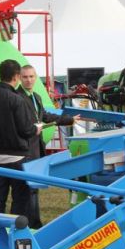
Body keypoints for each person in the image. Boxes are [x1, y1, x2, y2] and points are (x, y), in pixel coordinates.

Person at [0, 59, 41, 216]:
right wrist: (35, 129)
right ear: (16, 76)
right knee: (20, 199)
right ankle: (15, 231)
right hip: (16, 158)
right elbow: (25, 130)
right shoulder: (17, 99)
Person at [18, 64, 78, 228]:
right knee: (26, 190)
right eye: (25, 77)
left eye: (31, 76)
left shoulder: (36, 97)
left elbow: (45, 116)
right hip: (24, 149)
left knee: (34, 187)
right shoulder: (18, 97)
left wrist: (68, 119)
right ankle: (28, 224)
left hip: (36, 148)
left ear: (35, 78)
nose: (28, 80)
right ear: (20, 78)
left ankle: (35, 222)